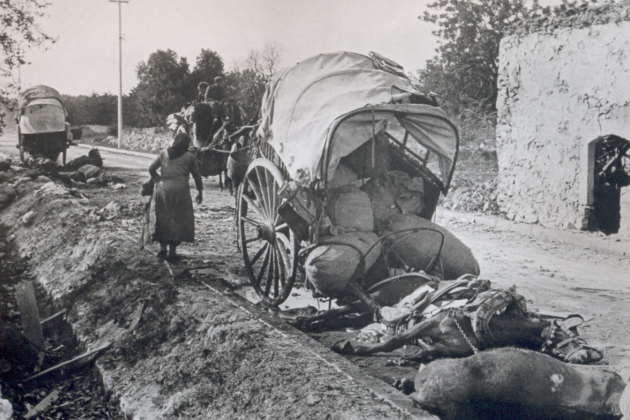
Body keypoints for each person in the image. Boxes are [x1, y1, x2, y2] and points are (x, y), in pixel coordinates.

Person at [148, 133, 203, 262]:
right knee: (178, 220)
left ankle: (162, 249)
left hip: (163, 189)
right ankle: (172, 252)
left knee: (163, 217)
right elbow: (197, 176)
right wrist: (200, 192)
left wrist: (157, 178)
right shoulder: (190, 157)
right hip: (181, 191)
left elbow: (151, 168)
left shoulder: (163, 153)